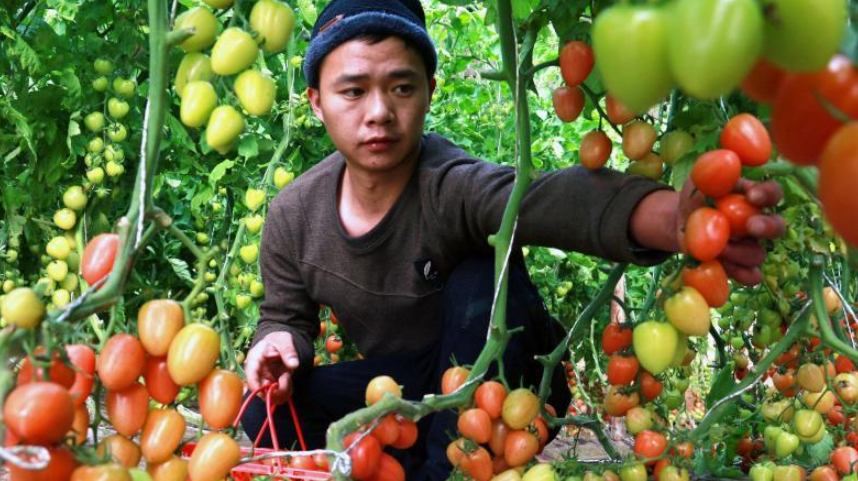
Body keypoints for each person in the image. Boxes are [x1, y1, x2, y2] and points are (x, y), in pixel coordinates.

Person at [240, 0, 785, 478]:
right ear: (316, 101)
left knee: (480, 272)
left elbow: (549, 202)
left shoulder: (450, 184)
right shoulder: (295, 214)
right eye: (353, 91)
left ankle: (444, 470)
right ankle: (427, 458)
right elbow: (285, 316)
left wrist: (672, 220)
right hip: (415, 389)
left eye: (401, 87)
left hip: (506, 382)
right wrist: (279, 344)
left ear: (429, 92)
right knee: (260, 407)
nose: (379, 112)